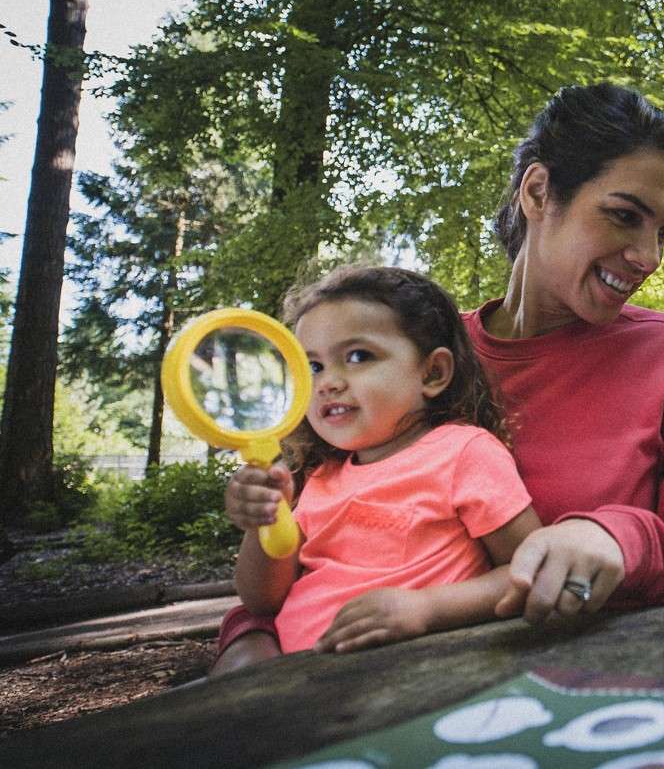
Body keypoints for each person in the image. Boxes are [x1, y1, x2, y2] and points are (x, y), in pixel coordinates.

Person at [465, 83, 664, 624]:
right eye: (625, 216)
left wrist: (621, 538)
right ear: (537, 193)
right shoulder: (426, 357)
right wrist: (253, 631)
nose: (649, 258)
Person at [212, 266, 541, 674]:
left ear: (433, 373)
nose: (328, 382)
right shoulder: (320, 479)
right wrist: (263, 522)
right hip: (299, 684)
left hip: (414, 676)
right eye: (312, 367)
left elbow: (529, 570)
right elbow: (262, 600)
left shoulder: (464, 454)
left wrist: (425, 609)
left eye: (357, 356)